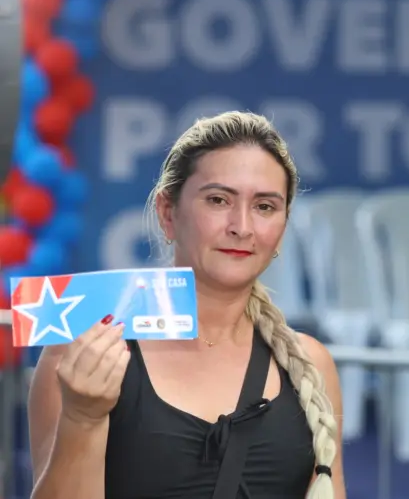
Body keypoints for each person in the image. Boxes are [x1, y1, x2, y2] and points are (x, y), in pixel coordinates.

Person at [26, 111, 346, 499]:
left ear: (282, 227)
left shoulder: (310, 364)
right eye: (218, 200)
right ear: (168, 213)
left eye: (264, 206)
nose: (242, 226)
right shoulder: (82, 351)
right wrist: (82, 417)